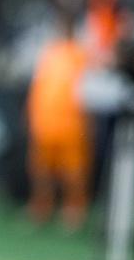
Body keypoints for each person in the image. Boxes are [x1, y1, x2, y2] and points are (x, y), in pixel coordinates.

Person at [26, 15, 92, 231]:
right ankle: (41, 208)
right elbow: (38, 86)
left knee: (73, 171)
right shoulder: (49, 52)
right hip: (45, 122)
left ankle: (74, 211)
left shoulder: (81, 54)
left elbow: (89, 90)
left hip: (71, 123)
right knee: (41, 170)